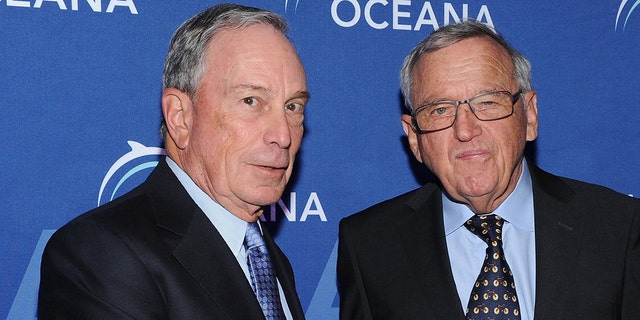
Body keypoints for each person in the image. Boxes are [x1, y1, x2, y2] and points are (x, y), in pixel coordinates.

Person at [337, 20, 640, 320]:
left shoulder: (620, 228)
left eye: (488, 102)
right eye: (440, 110)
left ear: (530, 115)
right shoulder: (369, 247)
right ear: (414, 138)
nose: (465, 130)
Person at [38, 3, 310, 319]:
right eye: (251, 101)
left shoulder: (265, 259)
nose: (283, 135)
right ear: (180, 117)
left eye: (293, 107)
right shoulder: (102, 255)